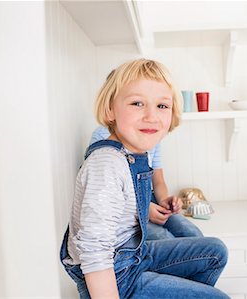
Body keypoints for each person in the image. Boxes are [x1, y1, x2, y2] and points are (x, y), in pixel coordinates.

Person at [60, 59, 229, 298]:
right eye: (137, 103)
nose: (151, 116)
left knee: (214, 252)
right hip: (117, 277)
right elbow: (95, 252)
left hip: (132, 256)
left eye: (162, 106)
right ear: (110, 110)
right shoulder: (107, 163)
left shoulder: (133, 152)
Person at [90, 126, 204, 240]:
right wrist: (144, 208)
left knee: (192, 233)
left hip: (148, 200)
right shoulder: (102, 136)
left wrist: (164, 200)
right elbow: (105, 196)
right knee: (165, 238)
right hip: (124, 210)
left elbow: (158, 181)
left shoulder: (151, 135)